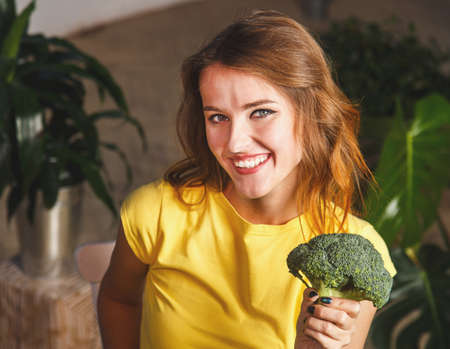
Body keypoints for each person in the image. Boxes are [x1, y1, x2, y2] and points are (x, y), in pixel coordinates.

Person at [97, 9, 396, 349]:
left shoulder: (356, 258)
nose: (235, 142)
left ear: (312, 114)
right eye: (218, 117)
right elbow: (118, 299)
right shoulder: (157, 212)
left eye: (261, 112)